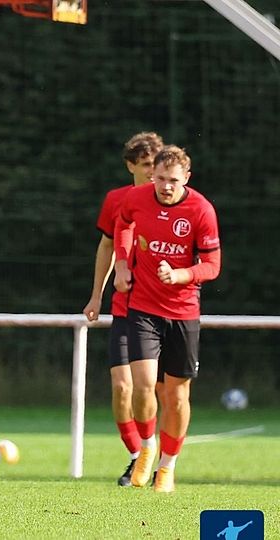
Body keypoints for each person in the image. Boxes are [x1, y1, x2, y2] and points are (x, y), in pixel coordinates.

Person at [113, 145, 220, 493]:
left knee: (176, 396)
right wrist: (125, 264)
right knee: (142, 385)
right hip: (143, 308)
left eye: (173, 180)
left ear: (186, 178)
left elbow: (212, 266)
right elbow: (123, 222)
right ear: (152, 175)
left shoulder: (201, 210)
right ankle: (146, 449)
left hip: (183, 313)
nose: (165, 186)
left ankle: (168, 466)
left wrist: (181, 275)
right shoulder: (137, 198)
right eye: (160, 178)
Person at [82, 131, 164, 486]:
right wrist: (96, 295)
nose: (152, 173)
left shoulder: (173, 200)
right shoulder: (117, 200)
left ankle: (162, 456)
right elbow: (106, 247)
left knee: (160, 390)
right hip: (126, 306)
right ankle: (137, 454)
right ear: (130, 165)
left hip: (163, 308)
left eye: (156, 165)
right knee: (122, 387)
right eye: (146, 165)